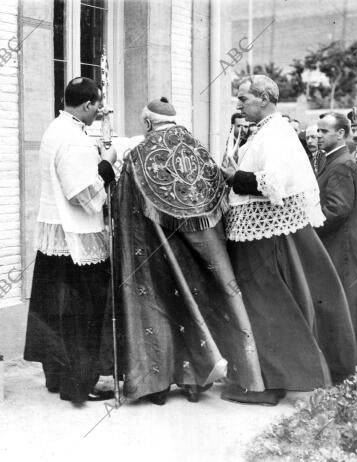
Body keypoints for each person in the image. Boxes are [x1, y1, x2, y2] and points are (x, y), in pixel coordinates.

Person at [104, 97, 267, 405]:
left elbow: (126, 208)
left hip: (154, 251)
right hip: (198, 253)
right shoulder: (199, 151)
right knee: (194, 307)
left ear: (149, 123)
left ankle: (157, 385)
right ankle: (195, 382)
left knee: (158, 307)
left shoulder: (139, 155)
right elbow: (218, 199)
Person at [221, 75, 357, 402]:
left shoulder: (276, 133)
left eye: (244, 98)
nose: (239, 104)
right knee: (265, 306)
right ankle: (265, 377)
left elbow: (273, 183)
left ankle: (271, 382)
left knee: (267, 307)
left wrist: (232, 176)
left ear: (265, 98)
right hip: (260, 229)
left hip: (265, 235)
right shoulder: (267, 130)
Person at [24, 77, 117, 404]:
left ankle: (57, 378)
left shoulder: (54, 129)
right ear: (88, 104)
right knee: (83, 313)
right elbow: (83, 194)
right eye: (97, 106)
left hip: (54, 235)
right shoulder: (75, 139)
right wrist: (108, 164)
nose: (98, 112)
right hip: (76, 238)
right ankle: (79, 384)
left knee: (55, 313)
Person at [316, 112, 357, 364]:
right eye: (317, 131)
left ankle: (343, 361)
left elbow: (337, 209)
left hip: (341, 244)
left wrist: (310, 228)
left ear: (340, 133)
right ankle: (344, 359)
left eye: (323, 131)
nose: (318, 136)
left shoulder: (341, 164)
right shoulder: (334, 160)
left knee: (345, 300)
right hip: (340, 242)